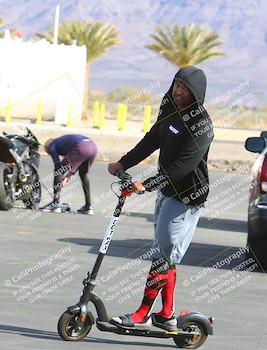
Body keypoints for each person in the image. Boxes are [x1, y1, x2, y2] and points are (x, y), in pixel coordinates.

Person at [108, 66, 214, 331]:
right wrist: (123, 163)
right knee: (166, 255)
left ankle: (143, 313)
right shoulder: (169, 109)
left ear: (196, 93)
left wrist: (147, 184)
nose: (179, 90)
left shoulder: (201, 124)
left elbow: (182, 166)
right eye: (177, 84)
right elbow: (151, 140)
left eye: (185, 88)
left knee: (162, 255)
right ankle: (167, 314)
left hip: (187, 197)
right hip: (167, 192)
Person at [43, 134, 97, 214]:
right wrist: (68, 176)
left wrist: (61, 180)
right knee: (83, 174)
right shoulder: (63, 142)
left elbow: (57, 165)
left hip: (82, 146)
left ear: (47, 148)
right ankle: (88, 207)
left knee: (59, 170)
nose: (49, 153)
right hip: (93, 147)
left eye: (48, 152)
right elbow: (78, 161)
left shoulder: (52, 145)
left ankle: (55, 203)